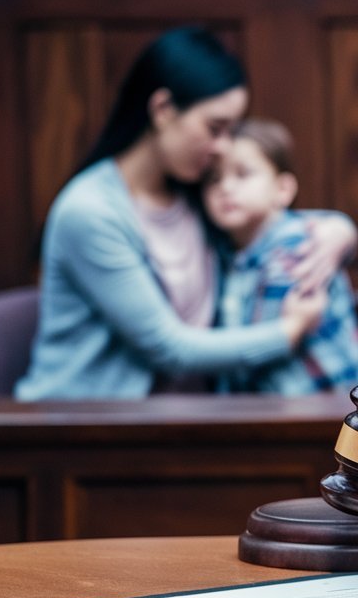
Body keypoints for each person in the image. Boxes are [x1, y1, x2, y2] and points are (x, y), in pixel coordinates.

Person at [17, 28, 335, 400]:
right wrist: (291, 330)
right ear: (163, 110)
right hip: (85, 428)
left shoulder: (196, 191)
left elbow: (272, 222)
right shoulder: (90, 210)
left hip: (181, 424)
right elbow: (171, 350)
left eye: (231, 130)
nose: (223, 147)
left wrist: (338, 233)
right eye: (215, 128)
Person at [202, 118, 358, 395]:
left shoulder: (297, 248)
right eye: (214, 179)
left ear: (283, 189)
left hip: (329, 413)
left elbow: (250, 353)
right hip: (281, 416)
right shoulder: (226, 255)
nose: (225, 187)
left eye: (243, 173)